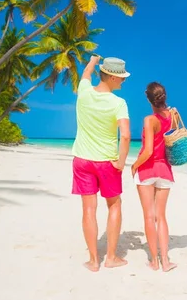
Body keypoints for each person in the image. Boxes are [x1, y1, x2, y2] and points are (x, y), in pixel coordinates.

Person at [71, 55, 132, 272]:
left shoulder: (84, 92)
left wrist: (93, 61)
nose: (124, 81)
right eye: (122, 78)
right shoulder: (119, 103)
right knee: (114, 205)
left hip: (82, 160)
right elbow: (125, 136)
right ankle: (111, 257)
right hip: (107, 162)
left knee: (89, 208)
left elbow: (86, 74)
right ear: (113, 78)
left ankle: (94, 260)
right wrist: (121, 162)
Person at [131, 81, 178, 272]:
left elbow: (148, 150)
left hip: (148, 170)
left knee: (149, 217)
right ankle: (166, 261)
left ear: (148, 98)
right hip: (165, 170)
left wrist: (134, 165)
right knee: (161, 216)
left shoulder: (150, 120)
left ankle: (154, 261)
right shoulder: (173, 115)